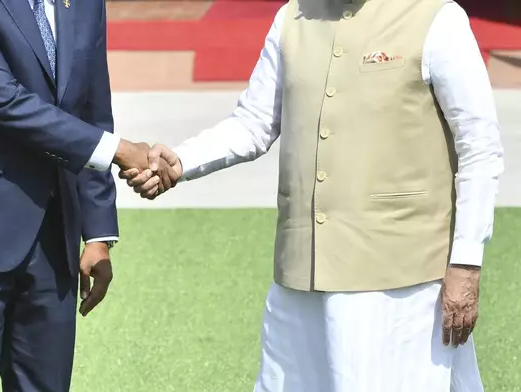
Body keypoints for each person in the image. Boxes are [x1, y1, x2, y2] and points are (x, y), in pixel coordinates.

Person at [122, 0, 504, 390]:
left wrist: (467, 261)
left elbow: (480, 147)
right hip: (298, 281)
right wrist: (182, 160)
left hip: (402, 284)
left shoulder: (437, 17)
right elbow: (253, 123)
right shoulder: (290, 18)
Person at [0, 0, 161, 391]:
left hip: (52, 239)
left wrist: (97, 234)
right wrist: (119, 151)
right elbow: (4, 100)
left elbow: (92, 108)